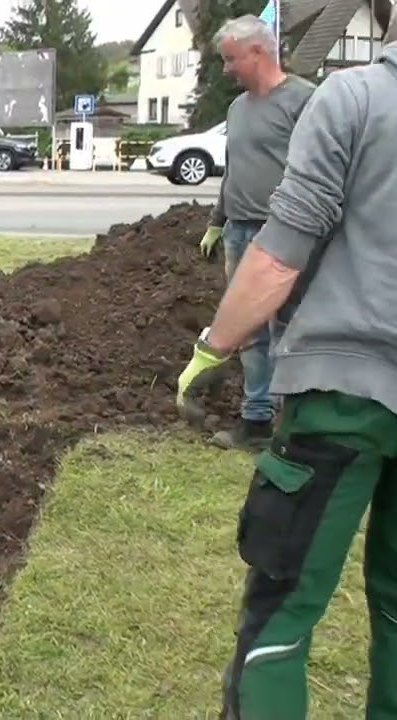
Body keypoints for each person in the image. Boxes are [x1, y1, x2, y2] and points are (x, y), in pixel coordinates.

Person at [175, 38, 397, 720]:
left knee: (282, 613)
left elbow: (281, 254)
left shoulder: (354, 99)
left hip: (341, 398)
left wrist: (215, 349)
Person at [196, 15, 315, 452]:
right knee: (249, 332)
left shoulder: (305, 102)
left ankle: (295, 424)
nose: (226, 69)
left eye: (230, 59)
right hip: (240, 232)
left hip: (287, 234)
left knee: (290, 328)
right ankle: (256, 420)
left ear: (258, 52)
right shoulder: (236, 109)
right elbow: (233, 172)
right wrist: (216, 220)